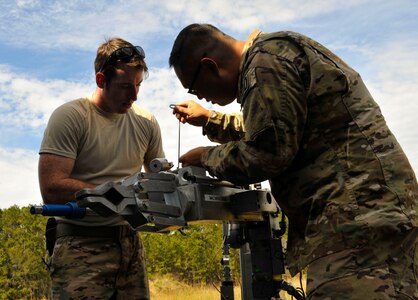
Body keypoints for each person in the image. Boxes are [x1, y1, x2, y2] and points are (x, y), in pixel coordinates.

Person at [169, 24, 417, 299]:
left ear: (210, 66)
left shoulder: (265, 61)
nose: (199, 96)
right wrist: (210, 120)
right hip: (366, 223)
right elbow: (275, 125)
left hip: (358, 228)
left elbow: (267, 153)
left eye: (194, 87)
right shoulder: (273, 54)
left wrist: (205, 156)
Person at [38, 37, 165, 299]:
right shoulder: (71, 117)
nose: (134, 95)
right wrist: (116, 194)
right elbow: (52, 189)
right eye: (125, 86)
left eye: (139, 85)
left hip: (130, 245)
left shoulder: (146, 122)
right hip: (80, 245)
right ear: (100, 80)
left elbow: (159, 184)